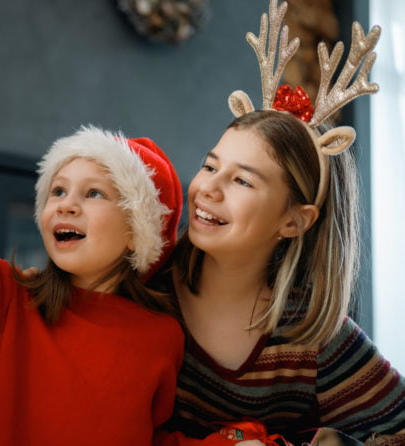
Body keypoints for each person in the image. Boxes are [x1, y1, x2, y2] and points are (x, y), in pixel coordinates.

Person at [0, 26, 186, 445]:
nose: (66, 204)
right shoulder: (18, 299)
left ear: (138, 232)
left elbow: (157, 437)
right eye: (58, 190)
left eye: (93, 193)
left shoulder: (163, 337)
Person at [155, 1, 405, 444]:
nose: (208, 189)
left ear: (293, 221)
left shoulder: (311, 334)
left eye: (243, 181)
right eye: (211, 166)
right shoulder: (147, 290)